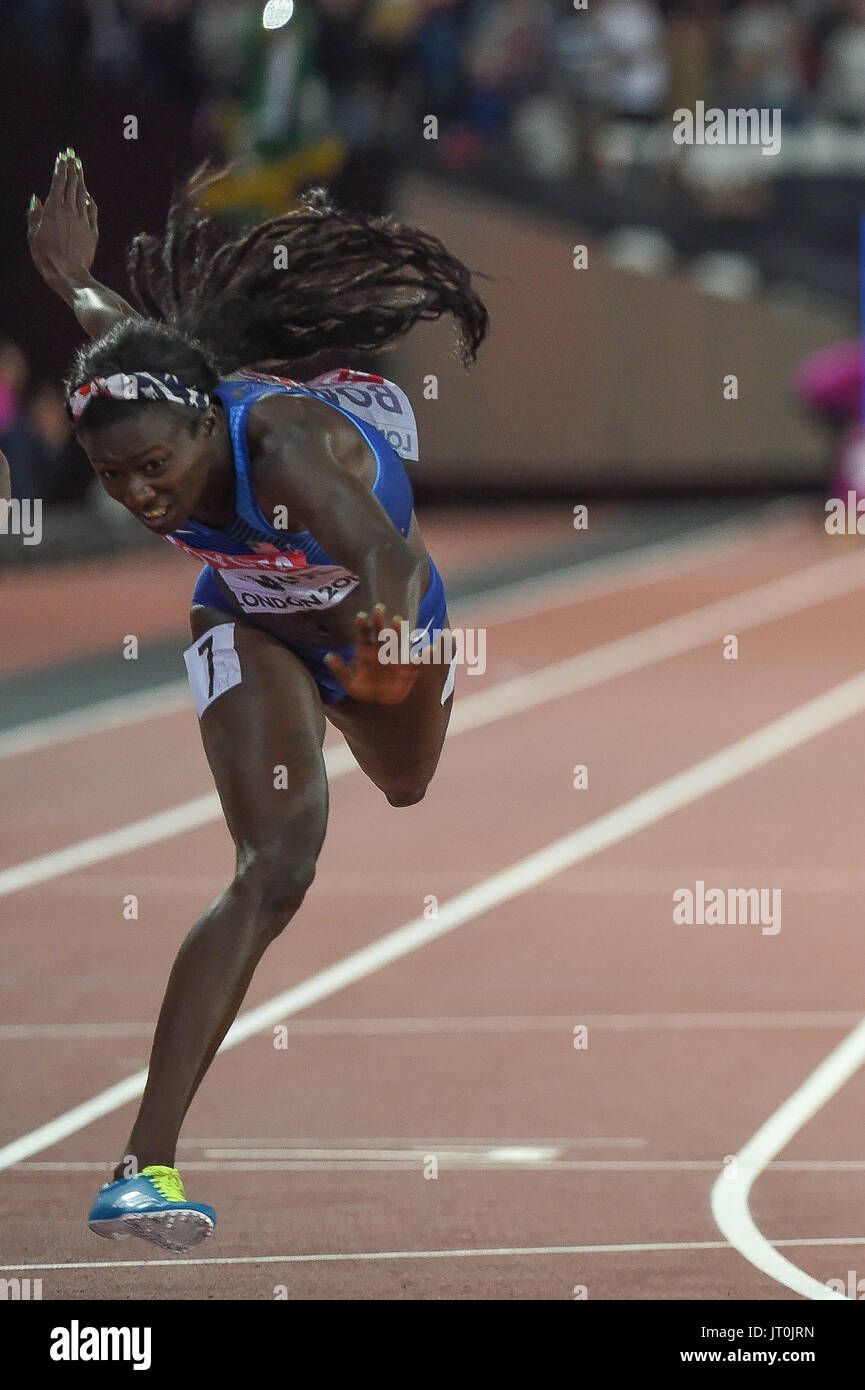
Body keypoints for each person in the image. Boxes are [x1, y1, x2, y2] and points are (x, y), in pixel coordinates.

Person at [28, 149, 488, 1251]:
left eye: (155, 469)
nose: (142, 495)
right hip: (249, 621)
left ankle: (361, 699)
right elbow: (127, 332)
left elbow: (378, 549)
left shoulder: (282, 449)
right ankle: (143, 1168)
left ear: (203, 427)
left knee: (408, 783)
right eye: (114, 481)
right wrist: (68, 278)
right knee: (273, 867)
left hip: (379, 615)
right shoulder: (155, 394)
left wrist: (382, 628)